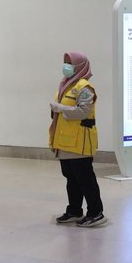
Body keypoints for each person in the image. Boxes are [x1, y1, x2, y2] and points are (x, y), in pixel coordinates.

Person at [49, 51, 107, 228]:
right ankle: (74, 210)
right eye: (65, 62)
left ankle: (96, 212)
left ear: (80, 66)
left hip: (80, 142)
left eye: (70, 63)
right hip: (65, 142)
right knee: (71, 178)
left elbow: (84, 111)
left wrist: (59, 108)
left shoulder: (84, 87)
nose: (66, 66)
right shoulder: (65, 85)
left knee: (85, 179)